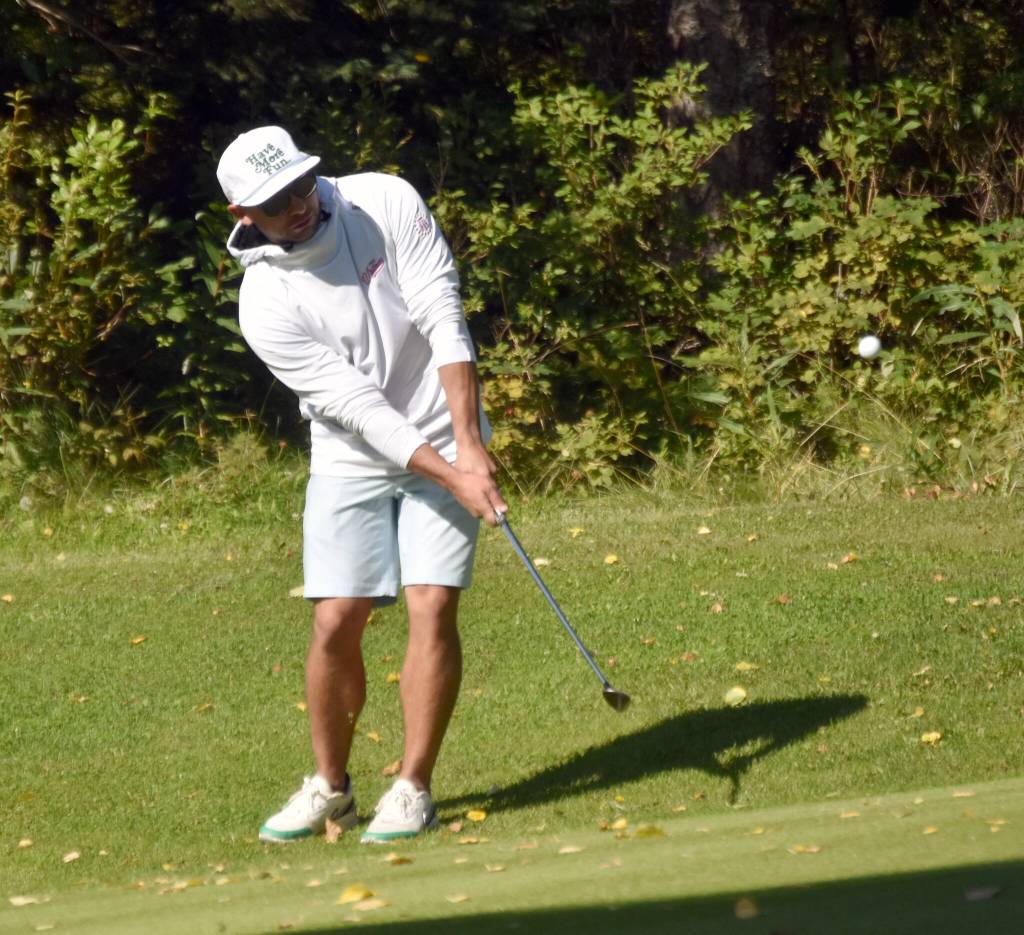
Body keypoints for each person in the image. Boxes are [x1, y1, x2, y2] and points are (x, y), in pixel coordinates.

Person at [216, 125, 507, 845]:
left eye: (300, 186)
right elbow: (361, 409)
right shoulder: (263, 303)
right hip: (350, 453)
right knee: (336, 620)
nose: (298, 205)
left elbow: (442, 313)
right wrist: (453, 474)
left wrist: (468, 445)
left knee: (432, 604)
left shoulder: (382, 199)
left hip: (446, 425)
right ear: (243, 215)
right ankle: (331, 786)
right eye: (275, 202)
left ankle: (412, 786)